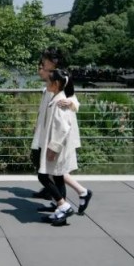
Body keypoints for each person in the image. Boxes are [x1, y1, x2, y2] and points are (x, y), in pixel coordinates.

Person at [31, 48, 94, 215]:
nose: (43, 64)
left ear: (53, 62)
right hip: (47, 132)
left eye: (45, 61)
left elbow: (74, 101)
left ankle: (64, 202)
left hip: (58, 134)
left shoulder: (60, 79)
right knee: (54, 171)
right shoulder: (51, 79)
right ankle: (61, 201)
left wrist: (70, 103)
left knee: (55, 171)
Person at [37, 68, 81, 226]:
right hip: (53, 145)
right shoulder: (58, 98)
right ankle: (60, 210)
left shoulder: (60, 101)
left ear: (55, 84)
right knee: (57, 177)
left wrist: (53, 148)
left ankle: (63, 205)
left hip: (55, 147)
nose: (46, 83)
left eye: (48, 81)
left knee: (43, 176)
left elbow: (63, 127)